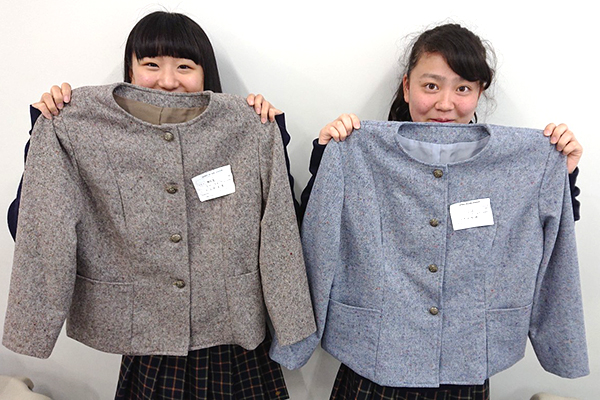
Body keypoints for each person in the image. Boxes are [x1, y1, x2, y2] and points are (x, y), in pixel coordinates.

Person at [6, 11, 298, 400]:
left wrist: (273, 137)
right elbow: (31, 226)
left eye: (184, 66)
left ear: (205, 74)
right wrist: (45, 136)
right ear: (130, 71)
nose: (167, 80)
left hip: (236, 336)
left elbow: (281, 226)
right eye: (151, 65)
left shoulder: (245, 127)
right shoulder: (81, 130)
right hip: (146, 337)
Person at [298, 23, 583, 400]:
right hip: (375, 357)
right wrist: (328, 156)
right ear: (407, 87)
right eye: (431, 85)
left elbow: (552, 244)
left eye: (463, 88)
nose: (446, 103)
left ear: (480, 92)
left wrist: (561, 174)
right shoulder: (357, 152)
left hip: (467, 358)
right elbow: (316, 237)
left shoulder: (524, 161)